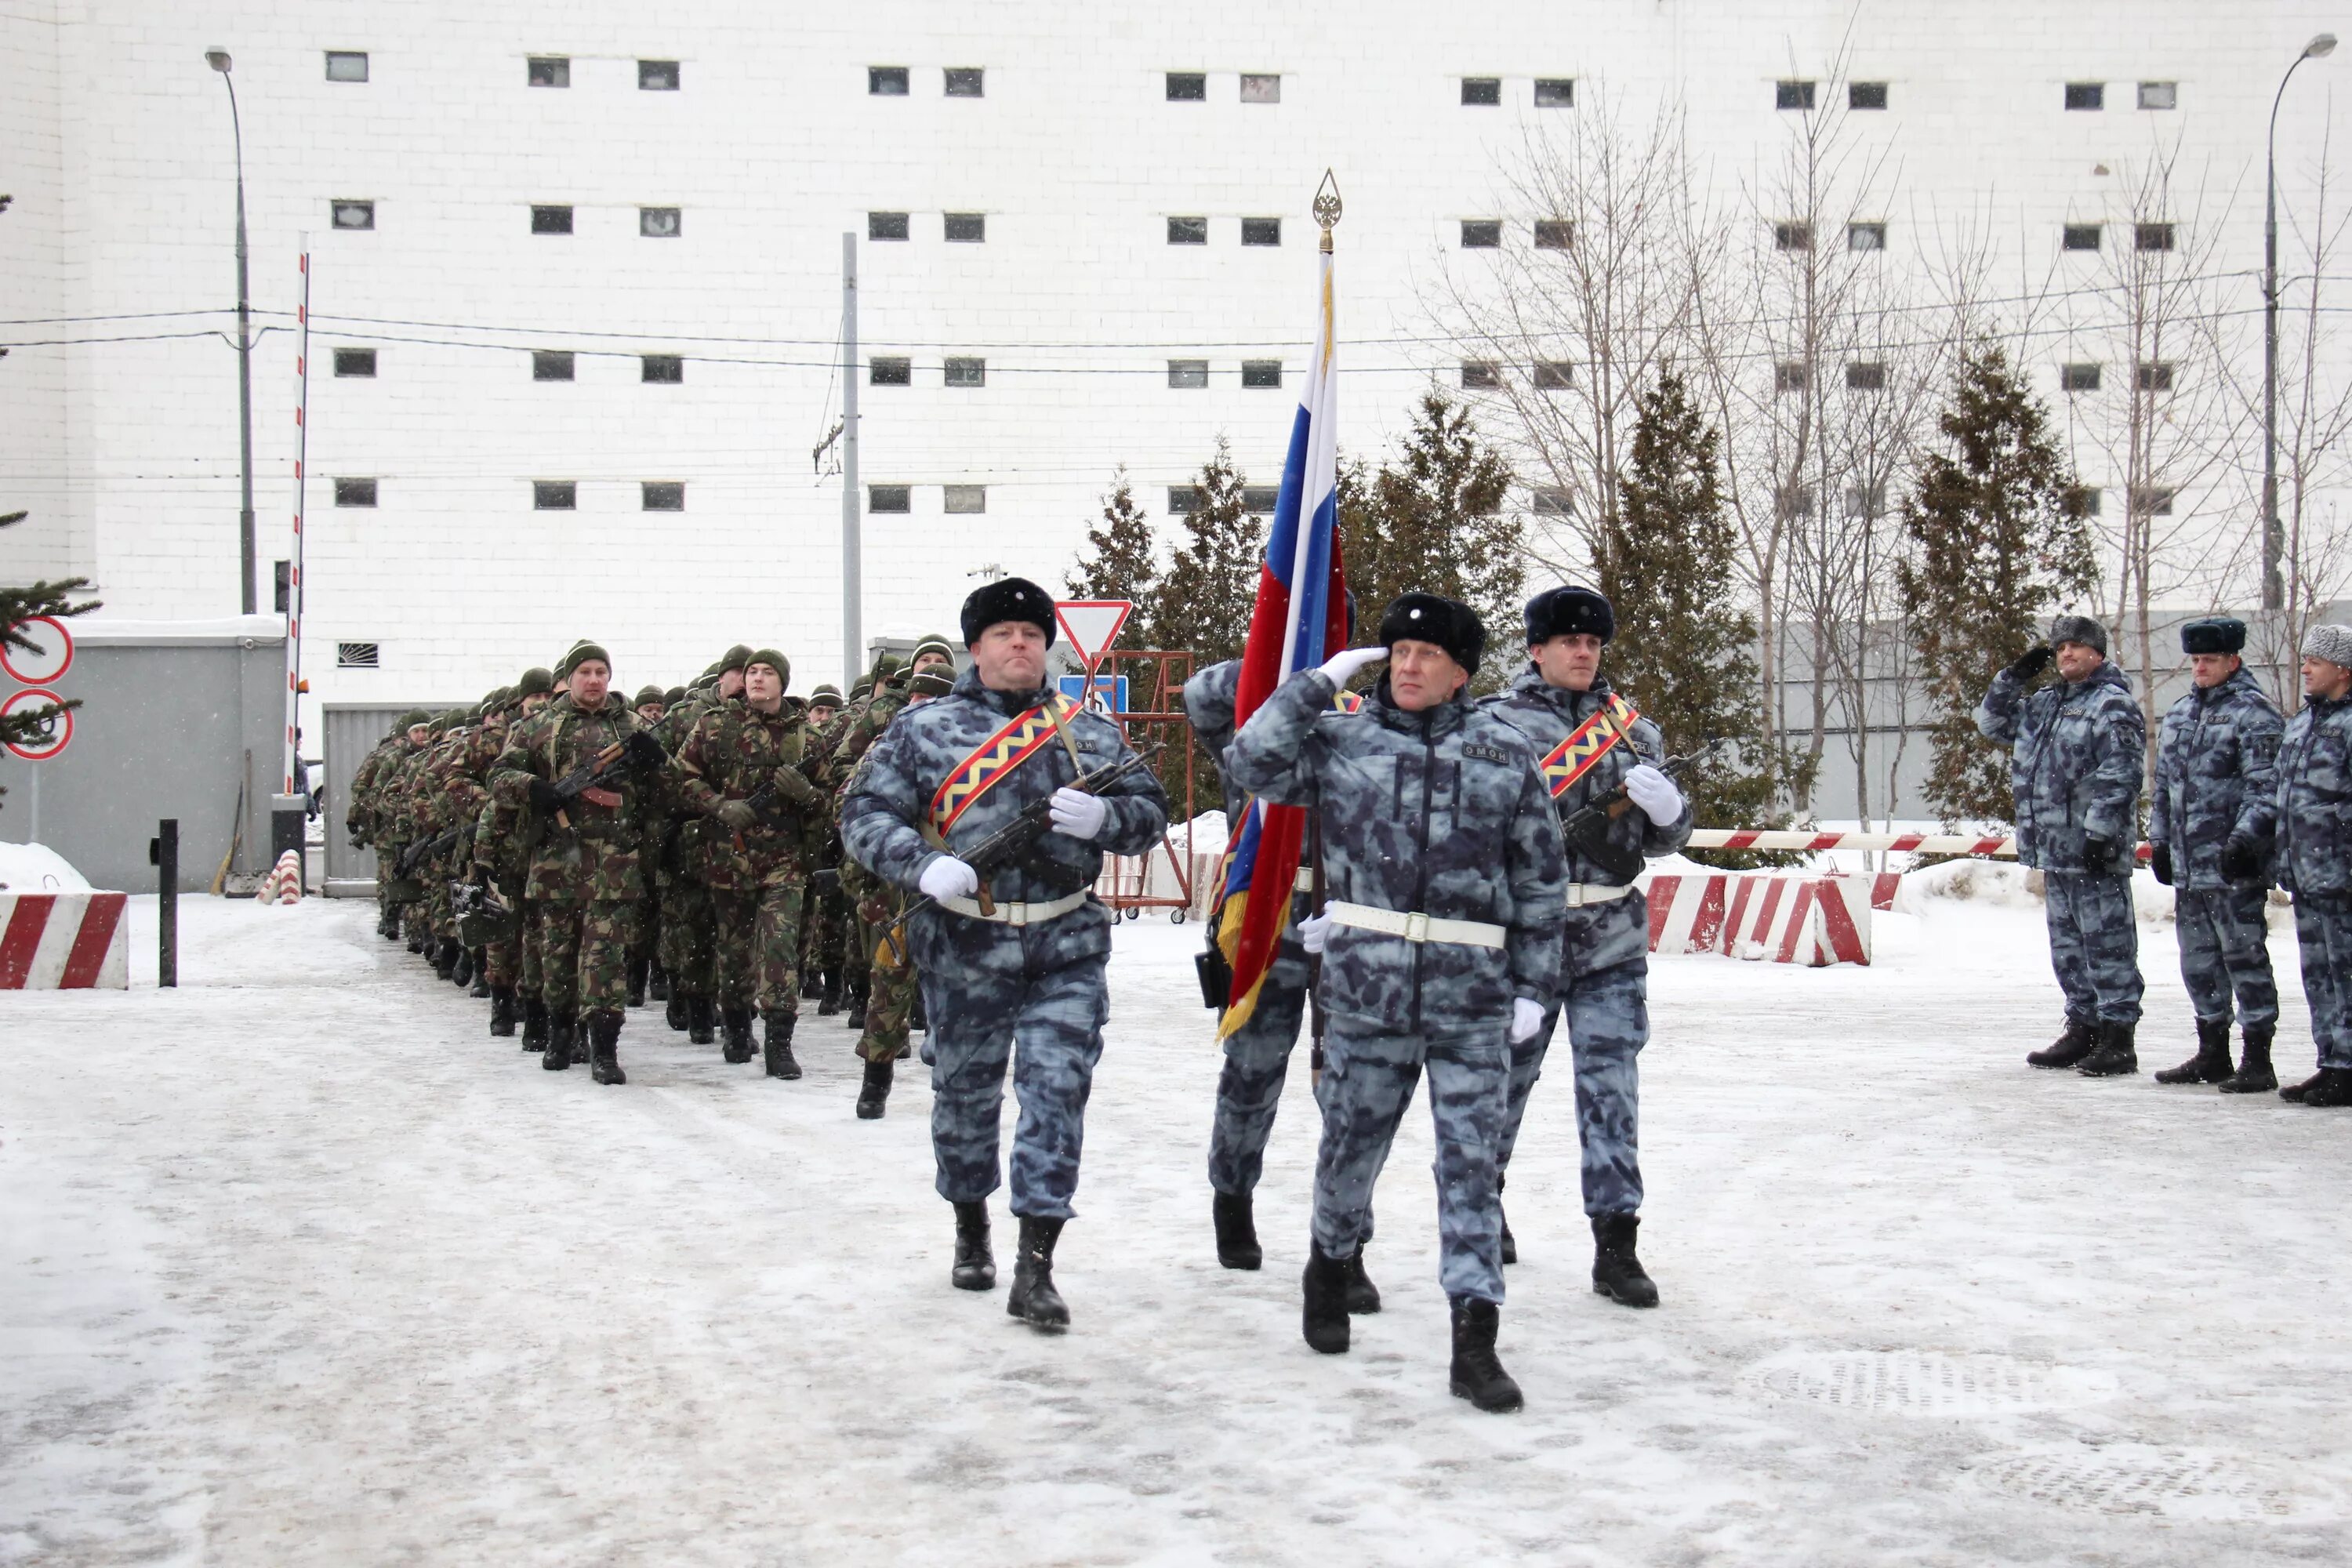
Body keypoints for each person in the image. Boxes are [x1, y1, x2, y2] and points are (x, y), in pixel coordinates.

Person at [1227, 592, 1566, 1414]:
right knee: (1352, 1143)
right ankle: (1328, 1259)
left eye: (1428, 655)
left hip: (1472, 994)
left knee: (1471, 1166)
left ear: (1460, 673)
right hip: (1368, 986)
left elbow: (1540, 878)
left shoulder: (1503, 753)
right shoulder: (1343, 738)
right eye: (1399, 651)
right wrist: (1313, 685)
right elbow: (1248, 761)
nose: (1408, 666)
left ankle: (1474, 1338)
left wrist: (1535, 984)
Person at [842, 579, 1169, 1330]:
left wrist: (1107, 818)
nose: (1020, 644)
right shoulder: (923, 731)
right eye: (1003, 634)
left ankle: (1038, 1263)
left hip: (1066, 942)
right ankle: (969, 1224)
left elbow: (1150, 813)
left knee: (1057, 1089)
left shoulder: (1087, 730)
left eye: (1031, 632)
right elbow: (862, 813)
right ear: (977, 647)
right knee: (965, 1097)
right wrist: (918, 865)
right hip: (965, 942)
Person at [1479, 585, 1690, 1307]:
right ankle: (1484, 1203)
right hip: (1522, 943)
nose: (1581, 652)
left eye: (1592, 643)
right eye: (1568, 641)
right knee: (1501, 1084)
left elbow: (1664, 838)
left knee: (1611, 1091)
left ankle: (1616, 1242)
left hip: (1611, 938)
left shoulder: (1634, 732)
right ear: (1536, 650)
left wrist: (1669, 813)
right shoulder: (1493, 729)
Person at [1181, 654, 1383, 1314]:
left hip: (1346, 920)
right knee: (1252, 1072)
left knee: (1350, 1089)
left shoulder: (1367, 719)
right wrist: (1286, 663)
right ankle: (1232, 1197)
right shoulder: (1255, 717)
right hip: (1266, 912)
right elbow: (1198, 696)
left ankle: (1345, 1243)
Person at [1977, 615, 2147, 1076]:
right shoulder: (2044, 703)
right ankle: (2083, 1027)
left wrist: (2100, 830)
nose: (2067, 654)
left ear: (2098, 653)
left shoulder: (2112, 705)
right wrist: (2013, 676)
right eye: (2060, 648)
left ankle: (2118, 1037)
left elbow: (2122, 773)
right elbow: (1991, 723)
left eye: (2077, 646)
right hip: (2053, 849)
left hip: (2094, 849)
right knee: (2068, 948)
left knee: (2108, 944)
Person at [491, 642, 666, 1084]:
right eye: (585, 672)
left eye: (600, 672)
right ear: (568, 678)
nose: (593, 680)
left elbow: (671, 791)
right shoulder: (539, 726)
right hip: (556, 859)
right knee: (559, 954)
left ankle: (604, 1049)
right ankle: (561, 1035)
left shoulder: (631, 727)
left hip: (614, 861)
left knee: (606, 958)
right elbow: (500, 777)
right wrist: (534, 789)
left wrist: (657, 764)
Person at [2144, 617, 2286, 1091]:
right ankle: (2212, 1051)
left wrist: (2244, 841)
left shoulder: (2255, 715)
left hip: (2232, 864)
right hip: (2189, 866)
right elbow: (2164, 786)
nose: (2200, 668)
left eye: (2210, 660)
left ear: (2233, 661)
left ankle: (2257, 1056)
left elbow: (2265, 788)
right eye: (2196, 660)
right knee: (2199, 961)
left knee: (2244, 957)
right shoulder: (2183, 712)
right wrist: (2161, 840)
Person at [671, 649, 824, 1077]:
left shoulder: (806, 739)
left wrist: (807, 795)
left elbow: (832, 802)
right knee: (734, 950)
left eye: (768, 673)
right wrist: (720, 806)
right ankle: (738, 1026)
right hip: (729, 858)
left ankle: (779, 1041)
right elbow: (681, 777)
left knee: (779, 947)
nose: (757, 678)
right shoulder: (715, 725)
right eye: (752, 671)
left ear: (783, 683)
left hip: (785, 862)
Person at [2275, 624, 2352, 1105]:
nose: (2305, 669)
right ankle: (2333, 1060)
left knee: (2346, 973)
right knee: (2319, 973)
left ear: (2344, 671)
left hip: (2342, 873)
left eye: (2316, 662)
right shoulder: (2303, 723)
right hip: (2307, 872)